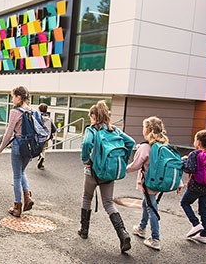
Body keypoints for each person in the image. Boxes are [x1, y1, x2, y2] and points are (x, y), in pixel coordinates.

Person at [78, 100, 135, 253]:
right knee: (109, 203)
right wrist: (122, 160)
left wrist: (86, 161)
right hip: (109, 172)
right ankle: (123, 234)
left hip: (93, 172)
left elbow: (85, 145)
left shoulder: (91, 130)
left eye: (91, 116)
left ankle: (84, 230)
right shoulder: (114, 130)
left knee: (87, 198)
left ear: (94, 116)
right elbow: (131, 142)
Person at [126, 116, 182, 251]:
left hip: (149, 183)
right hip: (159, 181)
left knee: (151, 207)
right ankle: (141, 227)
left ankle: (155, 239)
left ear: (148, 130)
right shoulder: (165, 145)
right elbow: (172, 165)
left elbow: (136, 165)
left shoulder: (145, 147)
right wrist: (179, 182)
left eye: (144, 127)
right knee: (147, 204)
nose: (142, 129)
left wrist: (123, 170)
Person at [0, 86, 35, 217]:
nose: (12, 99)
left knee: (17, 176)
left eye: (13, 96)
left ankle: (17, 207)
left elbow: (8, 133)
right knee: (22, 172)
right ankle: (27, 197)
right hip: (29, 147)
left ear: (19, 97)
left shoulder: (15, 112)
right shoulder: (31, 111)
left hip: (18, 145)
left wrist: (0, 148)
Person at [37, 103, 56, 170]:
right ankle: (42, 163)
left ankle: (40, 156)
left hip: (38, 136)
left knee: (37, 148)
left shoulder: (37, 117)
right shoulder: (49, 119)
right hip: (46, 137)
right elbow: (54, 129)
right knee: (43, 149)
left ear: (39, 109)